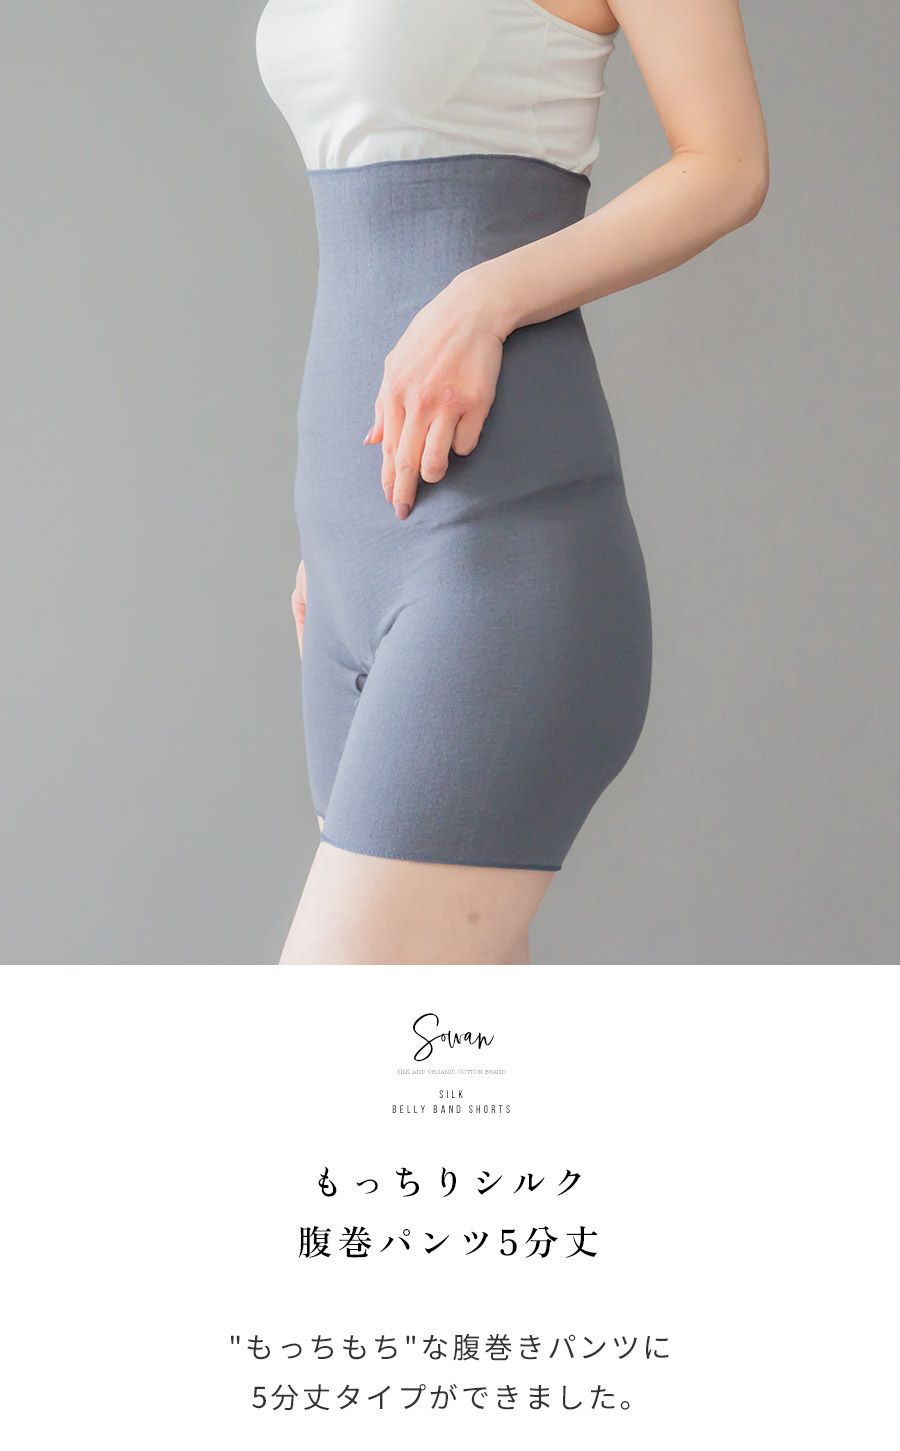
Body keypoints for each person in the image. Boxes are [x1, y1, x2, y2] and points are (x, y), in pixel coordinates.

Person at [255, 0, 768, 964]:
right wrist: (335, 529)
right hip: (351, 561)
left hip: (498, 552)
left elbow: (728, 163)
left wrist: (487, 296)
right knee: (455, 1058)